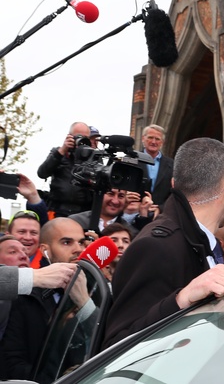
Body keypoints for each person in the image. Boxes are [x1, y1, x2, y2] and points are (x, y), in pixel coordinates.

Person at [102, 138, 224, 349]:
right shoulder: (156, 247)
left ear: (173, 184)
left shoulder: (198, 240)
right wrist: (181, 300)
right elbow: (116, 346)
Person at [0, 218, 88, 380]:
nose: (78, 249)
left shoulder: (98, 291)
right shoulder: (22, 298)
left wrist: (86, 305)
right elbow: (12, 362)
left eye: (82, 242)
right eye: (67, 242)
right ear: (45, 250)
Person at [36, 122, 93, 217]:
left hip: (82, 213)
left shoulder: (92, 157)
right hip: (57, 210)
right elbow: (42, 173)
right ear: (69, 137)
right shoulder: (59, 153)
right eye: (79, 137)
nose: (82, 141)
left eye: (86, 138)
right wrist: (62, 151)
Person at [69, 188, 138, 236]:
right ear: (99, 194)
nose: (115, 201)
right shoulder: (75, 222)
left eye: (121, 196)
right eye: (111, 194)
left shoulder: (131, 232)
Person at [141, 124, 174, 207]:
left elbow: (174, 192)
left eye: (157, 139)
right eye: (150, 137)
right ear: (143, 138)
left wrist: (161, 208)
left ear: (162, 142)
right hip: (136, 211)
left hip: (161, 212)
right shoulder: (132, 160)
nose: (153, 142)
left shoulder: (172, 165)